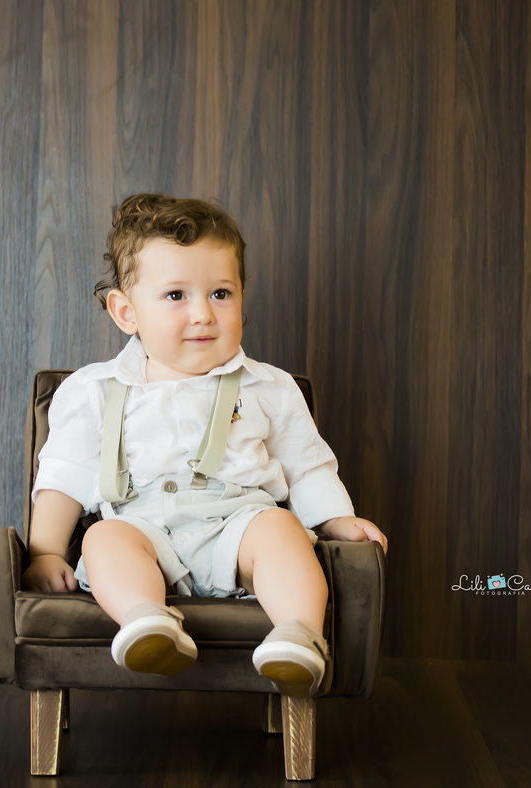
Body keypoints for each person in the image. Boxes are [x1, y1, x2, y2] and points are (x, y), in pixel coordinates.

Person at [22, 192, 386, 697]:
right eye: (176, 296)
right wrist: (44, 552)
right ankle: (147, 621)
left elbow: (307, 467)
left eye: (221, 294)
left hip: (237, 525)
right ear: (126, 312)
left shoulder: (268, 388)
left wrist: (337, 520)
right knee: (103, 540)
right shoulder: (92, 390)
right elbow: (62, 475)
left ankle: (299, 637)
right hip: (140, 525)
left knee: (280, 529)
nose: (204, 314)